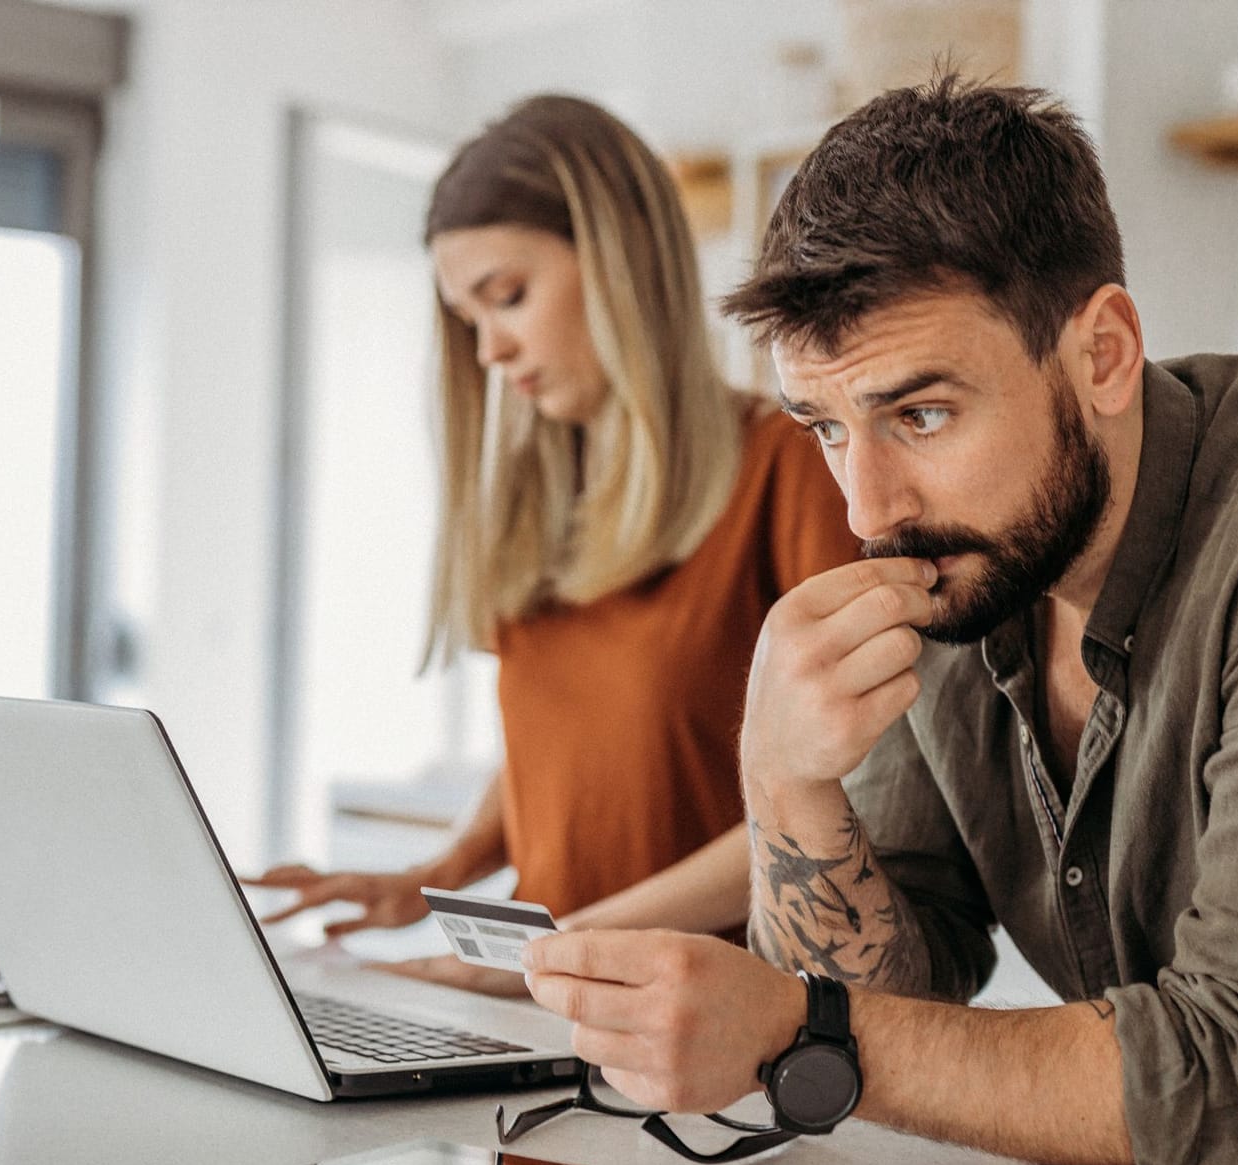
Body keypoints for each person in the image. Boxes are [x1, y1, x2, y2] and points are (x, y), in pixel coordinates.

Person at [523, 74, 1238, 1165]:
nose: (869, 508)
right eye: (828, 429)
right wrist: (782, 777)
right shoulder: (972, 560)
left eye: (923, 413)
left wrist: (802, 1033)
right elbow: (902, 971)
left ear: (1101, 353)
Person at [250, 95, 853, 994]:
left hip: (704, 1016)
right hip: (537, 998)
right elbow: (559, 749)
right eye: (469, 320)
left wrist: (568, 943)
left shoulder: (788, 469)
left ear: (622, 262)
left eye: (508, 297)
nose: (490, 347)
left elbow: (848, 807)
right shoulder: (541, 500)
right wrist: (438, 877)